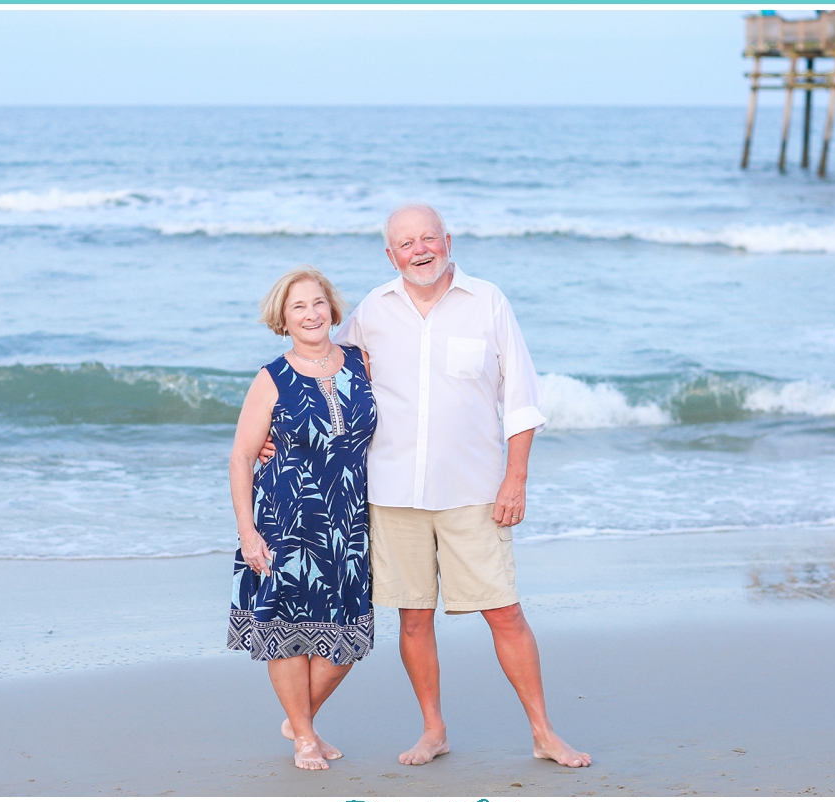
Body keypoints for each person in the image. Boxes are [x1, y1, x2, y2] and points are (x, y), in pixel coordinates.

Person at [267, 205, 590, 768]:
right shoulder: (372, 310)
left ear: (447, 241)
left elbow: (521, 400)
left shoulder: (488, 302)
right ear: (390, 255)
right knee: (413, 619)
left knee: (505, 612)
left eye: (427, 238)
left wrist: (516, 478)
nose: (419, 250)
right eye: (405, 243)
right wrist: (272, 436)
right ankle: (433, 730)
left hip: (474, 490)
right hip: (392, 493)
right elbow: (320, 370)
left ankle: (543, 732)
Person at [227, 266, 376, 771]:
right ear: (283, 318)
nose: (311, 314)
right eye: (298, 307)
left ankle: (300, 720)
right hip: (284, 523)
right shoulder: (272, 377)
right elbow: (242, 457)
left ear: (333, 309)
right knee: (288, 632)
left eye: (318, 303)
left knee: (347, 640)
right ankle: (305, 738)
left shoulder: (362, 362)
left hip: (351, 525)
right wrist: (248, 532)